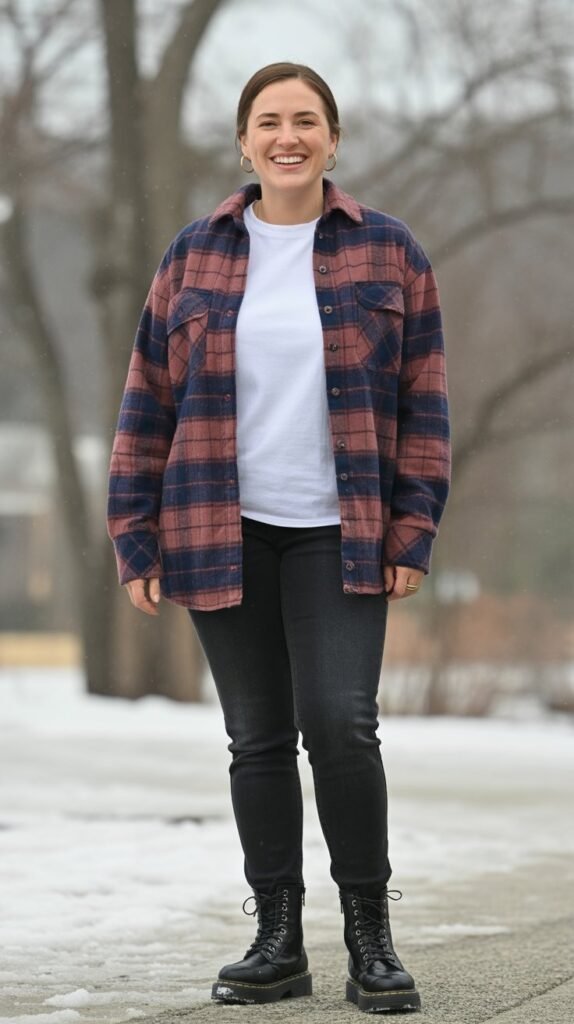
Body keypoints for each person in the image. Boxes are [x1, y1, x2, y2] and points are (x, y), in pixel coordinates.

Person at [107, 62, 450, 1013]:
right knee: (256, 738)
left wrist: (412, 528)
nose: (287, 136)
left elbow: (425, 405)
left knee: (340, 725)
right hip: (219, 526)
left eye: (306, 120)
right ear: (245, 141)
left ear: (333, 139)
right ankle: (278, 939)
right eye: (269, 121)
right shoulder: (193, 255)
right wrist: (134, 534)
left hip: (343, 533)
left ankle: (371, 940)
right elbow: (147, 403)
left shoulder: (390, 253)